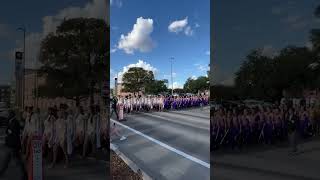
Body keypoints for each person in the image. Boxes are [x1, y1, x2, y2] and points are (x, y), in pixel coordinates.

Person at [0, 110, 27, 180]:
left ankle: (24, 175)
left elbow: (14, 134)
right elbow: (7, 131)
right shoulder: (10, 121)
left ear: (12, 115)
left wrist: (9, 131)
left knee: (17, 162)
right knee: (6, 161)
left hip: (13, 146)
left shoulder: (15, 122)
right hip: (10, 146)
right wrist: (9, 131)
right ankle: (1, 173)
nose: (7, 116)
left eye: (9, 115)